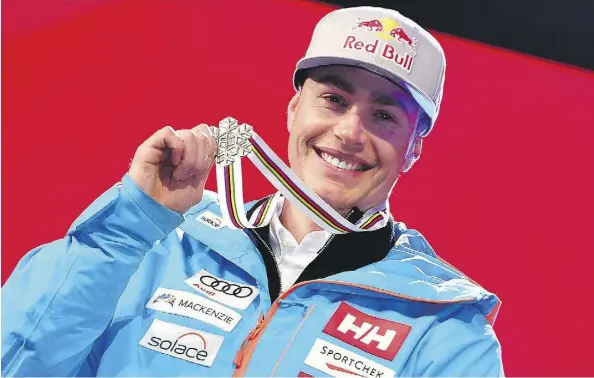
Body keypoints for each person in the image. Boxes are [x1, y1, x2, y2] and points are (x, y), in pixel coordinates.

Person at [1, 5, 504, 377]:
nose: (350, 132)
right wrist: (130, 224)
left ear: (413, 147)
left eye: (384, 115)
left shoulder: (444, 328)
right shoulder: (162, 242)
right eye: (333, 98)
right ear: (293, 110)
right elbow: (18, 362)